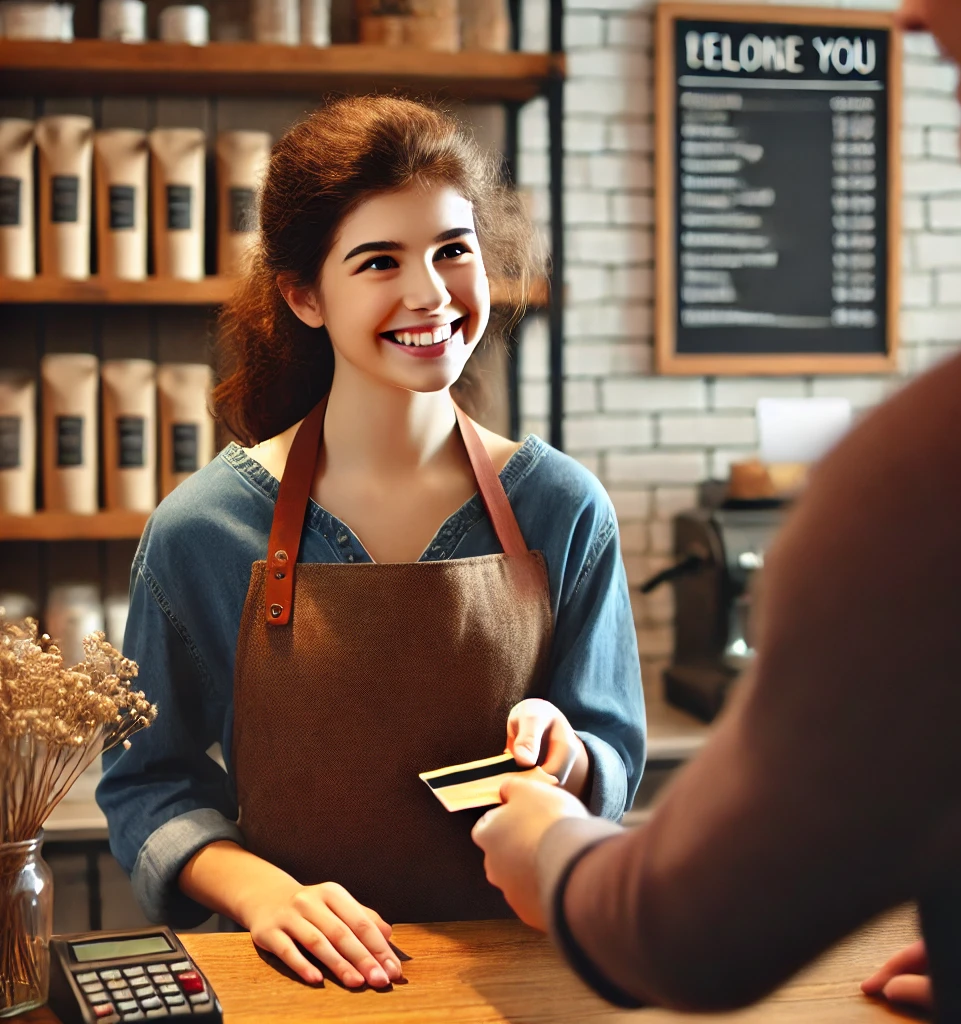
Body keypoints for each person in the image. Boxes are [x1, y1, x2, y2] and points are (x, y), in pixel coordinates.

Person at [472, 1, 961, 1019]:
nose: (909, 14)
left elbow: (685, 930)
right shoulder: (215, 521)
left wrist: (550, 839)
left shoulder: (946, 479)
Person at [98, 95, 645, 991]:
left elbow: (610, 746)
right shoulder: (200, 531)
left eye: (452, 251)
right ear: (305, 295)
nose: (429, 293)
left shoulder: (563, 507)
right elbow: (145, 783)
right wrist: (263, 894)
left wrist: (569, 754)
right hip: (306, 986)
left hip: (526, 983)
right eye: (379, 260)